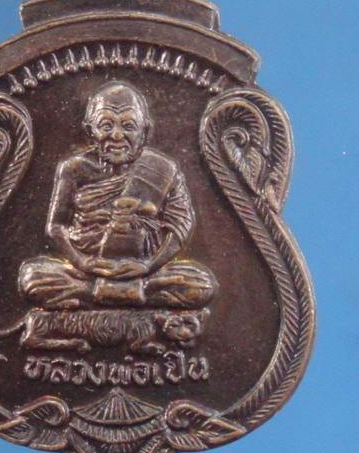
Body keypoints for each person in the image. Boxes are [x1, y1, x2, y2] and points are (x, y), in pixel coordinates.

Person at [18, 81, 217, 310]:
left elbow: (181, 226)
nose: (116, 135)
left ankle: (92, 294)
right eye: (106, 125)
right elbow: (55, 226)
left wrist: (149, 266)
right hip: (87, 271)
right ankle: (131, 294)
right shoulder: (73, 169)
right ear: (90, 131)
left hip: (144, 271)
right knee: (31, 279)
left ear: (145, 131)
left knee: (202, 284)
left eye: (128, 126)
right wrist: (83, 262)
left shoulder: (163, 169)